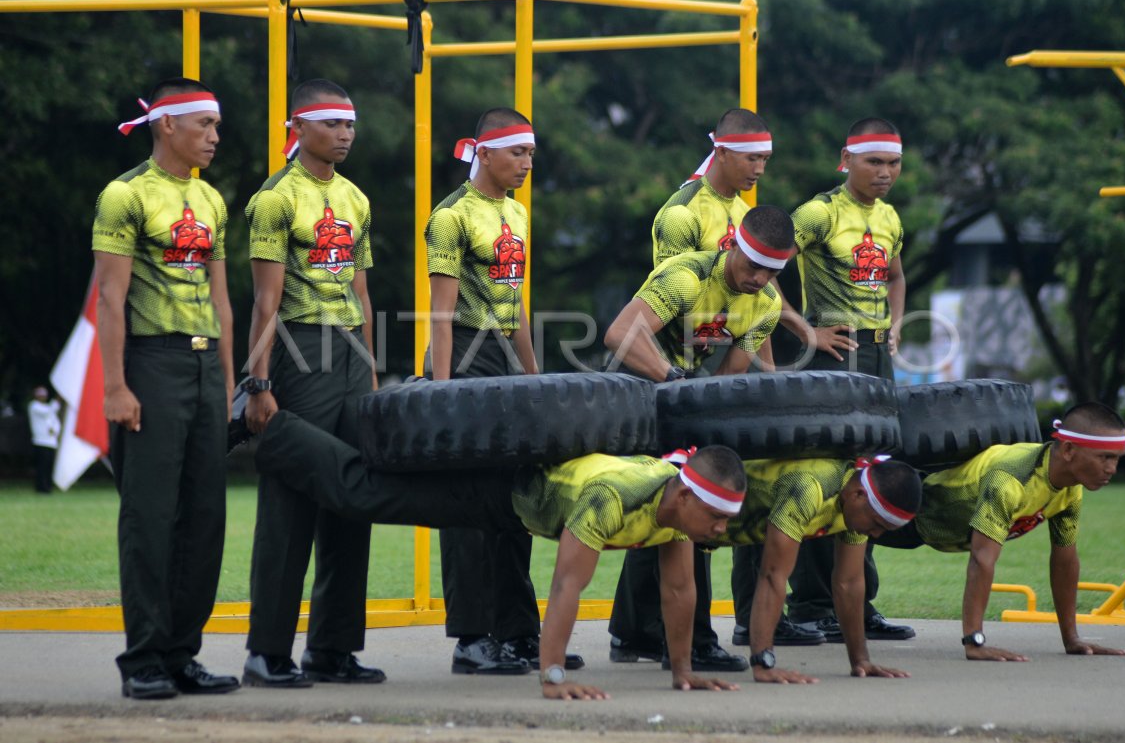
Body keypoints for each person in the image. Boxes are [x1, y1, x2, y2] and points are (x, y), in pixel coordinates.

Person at [253, 408, 747, 700]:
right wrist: (552, 676)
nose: (721, 530)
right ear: (685, 496)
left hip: (520, 506)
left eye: (726, 521)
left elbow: (680, 591)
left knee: (368, 493)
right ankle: (272, 426)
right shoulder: (615, 499)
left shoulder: (678, 517)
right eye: (717, 518)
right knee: (364, 495)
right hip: (491, 487)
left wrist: (683, 672)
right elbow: (566, 586)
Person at [732, 118, 912, 646]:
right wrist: (806, 328)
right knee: (822, 477)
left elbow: (896, 275)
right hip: (835, 359)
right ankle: (811, 605)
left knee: (870, 478)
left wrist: (896, 324)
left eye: (893, 163)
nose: (885, 173)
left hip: (878, 361)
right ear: (846, 159)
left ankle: (857, 602)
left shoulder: (891, 216)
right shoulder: (818, 212)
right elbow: (764, 263)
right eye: (874, 162)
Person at [94, 77, 238, 699]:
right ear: (166, 125)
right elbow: (110, 296)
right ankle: (145, 658)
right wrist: (115, 386)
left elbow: (223, 302)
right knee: (150, 518)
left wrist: (231, 384)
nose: (213, 136)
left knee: (206, 518)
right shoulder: (124, 196)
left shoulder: (211, 201)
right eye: (203, 124)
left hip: (206, 369)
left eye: (216, 125)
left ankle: (182, 653)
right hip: (151, 363)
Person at [603, 204, 793, 670]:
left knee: (664, 512)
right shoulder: (687, 276)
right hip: (635, 386)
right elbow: (621, 333)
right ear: (732, 247)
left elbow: (729, 379)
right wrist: (675, 380)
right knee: (695, 511)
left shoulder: (765, 304)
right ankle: (694, 641)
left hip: (680, 394)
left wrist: (706, 415)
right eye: (752, 267)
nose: (758, 279)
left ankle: (632, 635)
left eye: (771, 272)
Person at [242, 79, 382, 688]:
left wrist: (372, 371)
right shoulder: (275, 199)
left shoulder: (355, 197)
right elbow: (264, 299)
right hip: (299, 353)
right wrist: (258, 381)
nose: (345, 134)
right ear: (299, 126)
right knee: (290, 503)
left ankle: (333, 648)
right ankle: (266, 652)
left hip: (350, 354)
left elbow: (362, 292)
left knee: (354, 497)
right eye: (332, 124)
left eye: (350, 124)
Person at [424, 108, 546, 675]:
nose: (526, 163)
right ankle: (472, 639)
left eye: (530, 153)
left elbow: (516, 304)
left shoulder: (518, 213)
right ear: (486, 153)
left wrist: (534, 375)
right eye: (517, 153)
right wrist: (441, 392)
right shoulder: (451, 216)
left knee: (514, 498)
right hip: (464, 356)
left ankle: (519, 633)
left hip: (502, 356)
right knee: (469, 501)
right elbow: (440, 315)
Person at [876, 402, 1125, 661]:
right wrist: (974, 642)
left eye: (1116, 459)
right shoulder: (1009, 480)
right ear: (1067, 450)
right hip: (910, 512)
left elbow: (1065, 561)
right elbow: (982, 559)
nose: (1112, 469)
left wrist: (1072, 639)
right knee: (842, 534)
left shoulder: (1070, 489)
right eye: (1104, 457)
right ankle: (835, 616)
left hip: (938, 532)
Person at [711, 455, 923, 684]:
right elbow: (773, 575)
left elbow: (848, 583)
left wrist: (861, 661)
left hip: (710, 532)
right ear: (859, 494)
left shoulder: (854, 504)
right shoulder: (809, 489)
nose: (876, 534)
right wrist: (764, 663)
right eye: (877, 523)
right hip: (689, 519)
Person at [27, 385, 61, 494]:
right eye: (40, 395)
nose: (42, 397)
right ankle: (41, 487)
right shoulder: (34, 406)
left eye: (44, 395)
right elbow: (49, 411)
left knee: (49, 465)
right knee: (42, 466)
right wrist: (57, 400)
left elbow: (54, 421)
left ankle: (48, 486)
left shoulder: (47, 408)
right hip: (40, 441)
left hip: (51, 441)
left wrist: (55, 431)